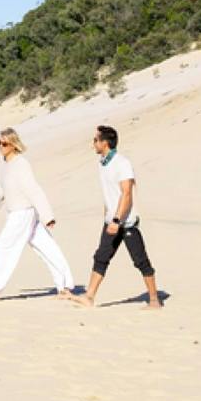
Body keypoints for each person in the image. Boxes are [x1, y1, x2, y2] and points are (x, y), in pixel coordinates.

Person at [0, 127, 74, 301]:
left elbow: (33, 190)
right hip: (17, 213)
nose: (0, 146)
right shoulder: (4, 165)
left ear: (13, 144)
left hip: (22, 214)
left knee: (4, 248)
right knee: (46, 247)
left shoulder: (21, 164)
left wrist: (47, 215)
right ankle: (64, 286)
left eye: (4, 143)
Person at [68, 124, 161, 309]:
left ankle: (154, 300)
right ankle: (89, 297)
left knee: (140, 260)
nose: (93, 143)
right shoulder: (103, 163)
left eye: (95, 140)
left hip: (126, 223)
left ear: (105, 143)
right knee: (101, 257)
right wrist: (108, 217)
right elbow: (109, 194)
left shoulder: (122, 163)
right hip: (111, 221)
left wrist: (117, 220)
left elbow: (126, 194)